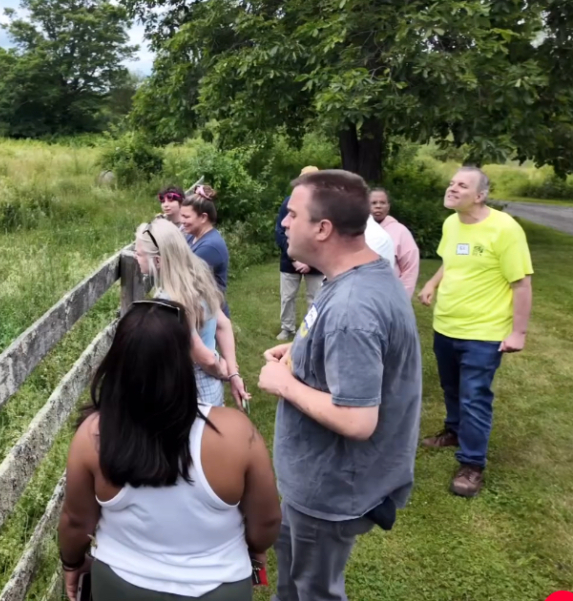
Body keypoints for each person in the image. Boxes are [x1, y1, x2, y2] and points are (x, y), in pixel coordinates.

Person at [258, 168, 422, 601]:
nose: (284, 223)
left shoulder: (353, 308)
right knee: (293, 585)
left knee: (313, 592)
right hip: (316, 483)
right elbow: (333, 342)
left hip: (330, 489)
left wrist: (283, 383)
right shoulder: (352, 276)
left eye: (292, 214)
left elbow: (357, 419)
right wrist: (298, 350)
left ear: (323, 228)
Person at [57, 299, 282, 601]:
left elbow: (75, 520)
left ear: (119, 357)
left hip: (121, 585)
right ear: (184, 360)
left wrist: (72, 562)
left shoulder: (94, 435)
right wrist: (256, 549)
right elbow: (266, 520)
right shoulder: (236, 433)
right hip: (218, 586)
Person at [418, 166, 533, 497]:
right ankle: (453, 431)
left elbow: (521, 283)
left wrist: (518, 333)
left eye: (462, 185)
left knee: (475, 397)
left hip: (484, 333)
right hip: (446, 325)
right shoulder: (451, 223)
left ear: (480, 196)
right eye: (452, 182)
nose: (452, 188)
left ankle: (471, 464)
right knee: (451, 388)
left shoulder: (505, 230)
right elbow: (450, 261)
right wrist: (432, 282)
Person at [134, 218, 249, 408]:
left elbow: (203, 357)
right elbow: (222, 324)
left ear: (157, 260)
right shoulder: (198, 276)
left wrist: (223, 371)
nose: (135, 258)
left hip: (191, 388)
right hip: (211, 387)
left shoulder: (170, 301)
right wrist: (233, 371)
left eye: (139, 254)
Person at [275, 166, 324, 340]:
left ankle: (312, 330)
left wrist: (309, 261)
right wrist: (294, 258)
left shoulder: (324, 206)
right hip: (290, 260)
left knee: (316, 297)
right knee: (287, 297)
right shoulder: (289, 203)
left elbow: (324, 235)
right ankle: (287, 328)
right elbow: (280, 232)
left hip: (316, 262)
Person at [180, 184, 230, 317]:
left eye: (186, 217)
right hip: (200, 310)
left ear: (203, 217)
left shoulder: (210, 246)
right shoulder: (192, 235)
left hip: (211, 317)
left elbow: (184, 278)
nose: (182, 221)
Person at [370, 187, 420, 298]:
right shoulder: (358, 230)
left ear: (388, 207)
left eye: (382, 203)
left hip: (390, 296)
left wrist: (402, 298)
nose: (378, 206)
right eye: (373, 203)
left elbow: (410, 269)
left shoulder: (400, 231)